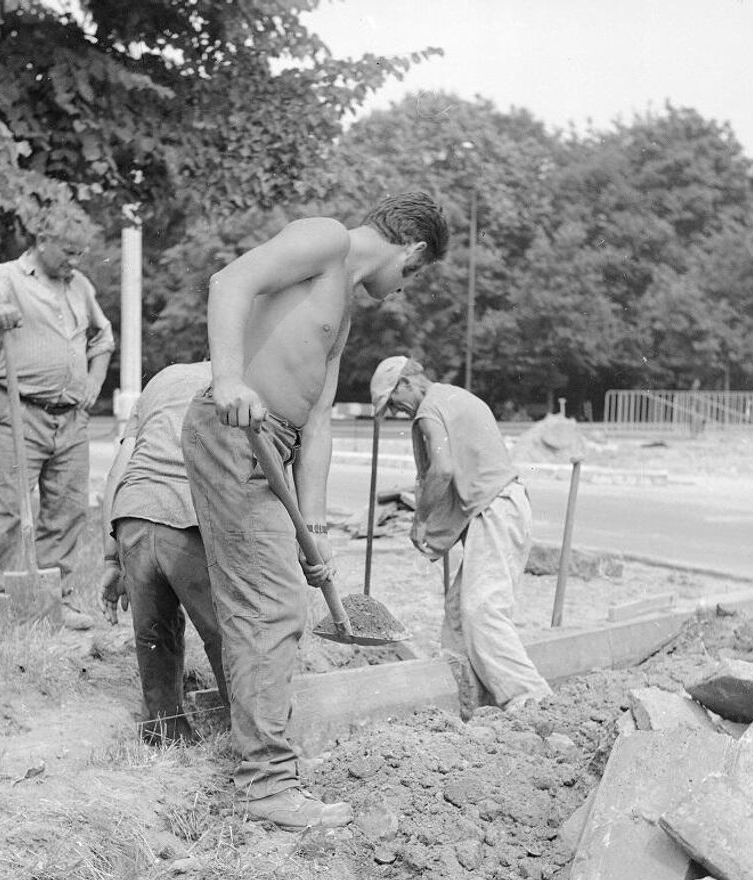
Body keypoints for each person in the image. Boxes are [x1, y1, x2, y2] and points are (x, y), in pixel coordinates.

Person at [181, 192, 449, 829]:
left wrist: (317, 529)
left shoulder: (344, 316)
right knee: (268, 607)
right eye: (413, 275)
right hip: (234, 430)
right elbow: (230, 281)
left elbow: (320, 423)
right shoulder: (325, 240)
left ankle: (268, 770)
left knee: (272, 606)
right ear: (412, 251)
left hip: (276, 442)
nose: (402, 291)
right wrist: (227, 378)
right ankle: (265, 786)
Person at [370, 355, 553, 718]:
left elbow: (443, 470)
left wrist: (421, 521)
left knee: (482, 609)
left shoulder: (428, 410)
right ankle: (471, 709)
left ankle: (532, 701)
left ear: (407, 384)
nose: (397, 411)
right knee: (457, 616)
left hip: (495, 508)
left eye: (393, 402)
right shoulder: (454, 397)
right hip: (500, 505)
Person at [0, 206, 114, 631]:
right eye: (68, 252)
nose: (75, 261)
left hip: (71, 419)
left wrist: (95, 382)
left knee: (67, 512)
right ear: (41, 241)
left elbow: (103, 337)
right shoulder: (9, 276)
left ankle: (53, 604)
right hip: (18, 412)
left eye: (81, 254)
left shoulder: (80, 286)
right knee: (5, 512)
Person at [100, 361, 228, 744]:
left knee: (155, 634)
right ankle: (254, 734)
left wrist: (110, 559)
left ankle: (164, 733)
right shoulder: (241, 379)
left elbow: (117, 470)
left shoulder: (161, 379)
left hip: (133, 513)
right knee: (228, 632)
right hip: (186, 517)